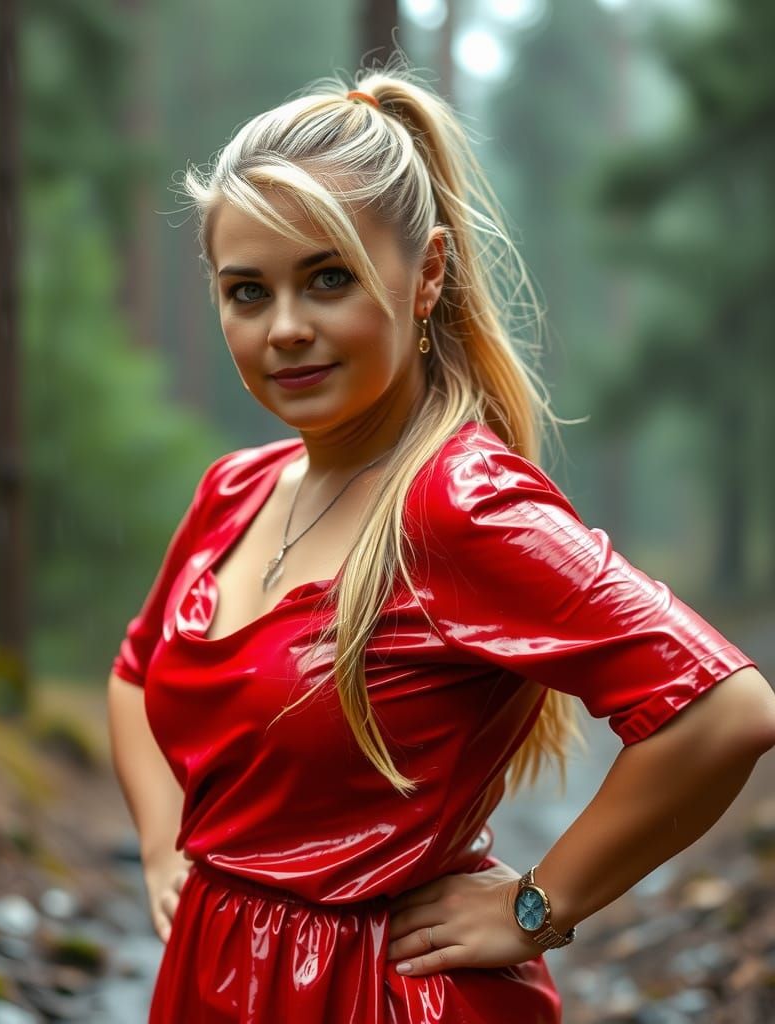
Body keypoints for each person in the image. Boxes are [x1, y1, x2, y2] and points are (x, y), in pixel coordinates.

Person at [106, 62, 775, 1023]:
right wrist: (167, 845)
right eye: (247, 292)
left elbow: (724, 711)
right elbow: (137, 675)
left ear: (425, 276)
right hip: (212, 978)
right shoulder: (236, 489)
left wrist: (541, 904)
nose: (285, 328)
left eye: (327, 278)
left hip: (378, 996)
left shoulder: (458, 507)